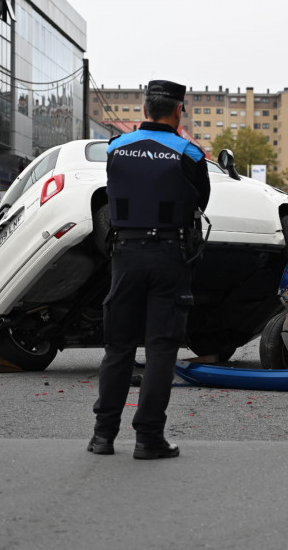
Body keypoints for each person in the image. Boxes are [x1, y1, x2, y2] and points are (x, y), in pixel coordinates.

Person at [89, 79, 210, 460]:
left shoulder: (115, 148)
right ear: (178, 112)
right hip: (168, 256)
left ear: (144, 110)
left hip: (124, 254)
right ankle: (148, 438)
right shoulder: (190, 153)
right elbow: (201, 202)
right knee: (161, 348)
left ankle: (102, 436)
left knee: (118, 348)